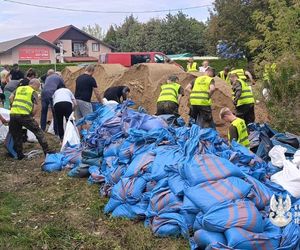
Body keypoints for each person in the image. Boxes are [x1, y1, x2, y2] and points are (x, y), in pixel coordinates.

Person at [9, 78, 51, 160]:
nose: (38, 88)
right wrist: (31, 115)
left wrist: (13, 106)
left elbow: (11, 98)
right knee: (38, 131)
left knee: (17, 135)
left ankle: (19, 154)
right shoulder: (33, 92)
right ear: (34, 84)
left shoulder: (19, 88)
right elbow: (35, 107)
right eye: (38, 86)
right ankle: (47, 151)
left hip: (13, 114)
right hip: (24, 115)